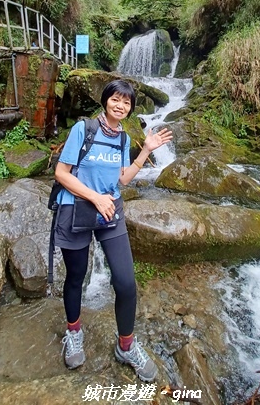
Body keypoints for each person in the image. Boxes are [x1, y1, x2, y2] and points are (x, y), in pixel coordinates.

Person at [54, 79, 172, 382]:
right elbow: (61, 173)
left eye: (127, 103)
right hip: (77, 208)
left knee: (126, 282)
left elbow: (122, 180)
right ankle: (74, 333)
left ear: (131, 108)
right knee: (76, 277)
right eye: (116, 99)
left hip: (110, 211)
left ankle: (126, 345)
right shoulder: (84, 129)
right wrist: (93, 196)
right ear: (106, 100)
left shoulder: (122, 138)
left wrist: (145, 150)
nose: (120, 106)